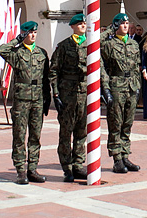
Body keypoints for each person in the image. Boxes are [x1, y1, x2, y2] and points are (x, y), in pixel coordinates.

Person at [0, 20, 50, 185]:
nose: (33, 35)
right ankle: (20, 170)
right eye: (30, 32)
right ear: (24, 33)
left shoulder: (42, 53)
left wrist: (47, 99)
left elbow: (46, 78)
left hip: (38, 99)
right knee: (19, 136)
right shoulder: (17, 53)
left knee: (35, 136)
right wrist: (17, 39)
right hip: (22, 100)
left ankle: (32, 168)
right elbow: (1, 50)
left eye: (35, 32)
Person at [49, 13, 88, 183]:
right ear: (72, 26)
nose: (82, 26)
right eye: (79, 24)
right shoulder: (64, 46)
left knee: (82, 131)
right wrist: (56, 93)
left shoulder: (91, 44)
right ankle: (67, 167)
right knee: (66, 132)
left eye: (84, 23)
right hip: (68, 93)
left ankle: (78, 164)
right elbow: (54, 71)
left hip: (85, 93)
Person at [101, 13, 142, 174]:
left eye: (127, 23)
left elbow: (136, 66)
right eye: (122, 23)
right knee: (116, 123)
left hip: (131, 86)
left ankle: (125, 155)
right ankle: (117, 158)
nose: (125, 26)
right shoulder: (109, 44)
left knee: (127, 123)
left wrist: (137, 87)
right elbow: (95, 43)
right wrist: (110, 29)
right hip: (116, 85)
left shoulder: (133, 44)